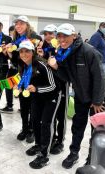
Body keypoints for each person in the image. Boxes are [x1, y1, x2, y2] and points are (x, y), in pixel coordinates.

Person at [48, 23, 105, 169]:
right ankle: (74, 153)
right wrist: (56, 67)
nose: (62, 39)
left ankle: (92, 158)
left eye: (66, 36)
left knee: (97, 129)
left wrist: (97, 100)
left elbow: (100, 78)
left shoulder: (88, 51)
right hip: (81, 95)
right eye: (59, 36)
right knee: (78, 125)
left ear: (74, 36)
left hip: (97, 97)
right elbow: (66, 77)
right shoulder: (64, 53)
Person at [17, 40, 60, 169]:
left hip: (51, 97)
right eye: (22, 51)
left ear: (33, 52)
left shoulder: (42, 64)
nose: (24, 54)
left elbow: (54, 86)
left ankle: (44, 155)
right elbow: (25, 78)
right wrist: (20, 86)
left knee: (46, 124)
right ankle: (38, 144)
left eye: (27, 51)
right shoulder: (24, 64)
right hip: (37, 97)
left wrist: (37, 89)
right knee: (35, 121)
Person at [6, 15, 41, 143]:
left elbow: (37, 56)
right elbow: (16, 60)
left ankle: (32, 130)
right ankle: (24, 128)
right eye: (17, 24)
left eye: (21, 23)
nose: (18, 26)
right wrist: (9, 52)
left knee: (33, 105)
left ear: (27, 25)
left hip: (34, 74)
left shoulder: (35, 37)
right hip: (21, 74)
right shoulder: (15, 40)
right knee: (23, 105)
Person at [38, 24, 66, 155]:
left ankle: (60, 141)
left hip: (62, 84)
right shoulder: (41, 47)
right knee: (51, 116)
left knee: (61, 115)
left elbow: (64, 67)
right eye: (46, 34)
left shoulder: (62, 48)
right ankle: (53, 137)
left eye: (51, 34)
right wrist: (41, 56)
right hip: (50, 86)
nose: (48, 36)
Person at [1, 25, 15, 113]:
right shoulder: (10, 42)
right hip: (12, 67)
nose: (13, 34)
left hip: (22, 68)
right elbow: (9, 57)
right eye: (11, 33)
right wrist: (6, 52)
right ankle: (9, 105)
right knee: (8, 85)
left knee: (22, 86)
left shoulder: (22, 41)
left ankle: (24, 107)